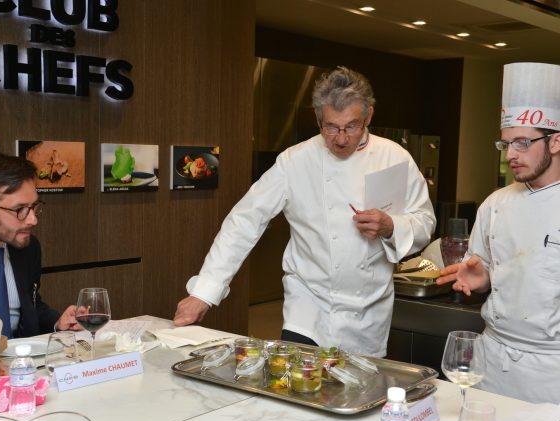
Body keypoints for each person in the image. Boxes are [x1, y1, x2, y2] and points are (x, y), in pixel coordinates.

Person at [174, 67, 436, 356]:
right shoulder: (295, 161)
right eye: (330, 126)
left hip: (368, 313)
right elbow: (245, 221)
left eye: (351, 126)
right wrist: (204, 293)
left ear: (369, 116)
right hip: (307, 308)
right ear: (318, 118)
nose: (340, 138)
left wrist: (391, 227)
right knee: (297, 390)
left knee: (356, 395)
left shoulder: (395, 158)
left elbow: (425, 222)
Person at [437, 62, 560, 403]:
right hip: (491, 361)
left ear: (556, 142)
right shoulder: (496, 203)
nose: (511, 156)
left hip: (552, 371)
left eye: (522, 143)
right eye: (505, 144)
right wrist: (482, 280)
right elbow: (491, 274)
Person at [0, 153, 81, 337]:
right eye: (20, 210)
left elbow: (28, 305)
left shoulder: (28, 248)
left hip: (20, 360)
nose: (33, 220)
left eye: (34, 207)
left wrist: (58, 323)